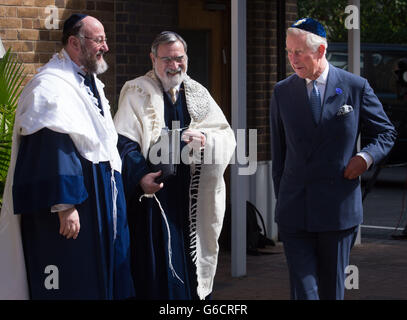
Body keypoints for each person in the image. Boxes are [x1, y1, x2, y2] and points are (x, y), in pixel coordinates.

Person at [0, 14, 135, 299]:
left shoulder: (89, 83)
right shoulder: (50, 87)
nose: (105, 47)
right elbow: (51, 144)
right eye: (98, 40)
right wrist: (65, 204)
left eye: (105, 40)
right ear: (74, 42)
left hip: (100, 201)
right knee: (70, 280)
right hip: (73, 208)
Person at [270, 18, 396, 300]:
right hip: (294, 211)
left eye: (299, 51)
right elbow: (279, 155)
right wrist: (283, 197)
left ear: (321, 50)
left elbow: (386, 133)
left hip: (337, 211)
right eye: (289, 52)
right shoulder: (282, 92)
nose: (293, 58)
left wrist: (365, 158)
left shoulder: (355, 86)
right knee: (304, 292)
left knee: (331, 291)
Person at [114, 31, 236, 300]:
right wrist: (141, 177)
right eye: (166, 59)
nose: (174, 65)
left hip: (192, 199)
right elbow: (124, 144)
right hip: (155, 200)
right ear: (153, 58)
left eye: (179, 58)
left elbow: (226, 136)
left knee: (193, 272)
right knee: (158, 271)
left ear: (186, 58)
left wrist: (206, 140)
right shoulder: (136, 92)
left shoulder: (198, 93)